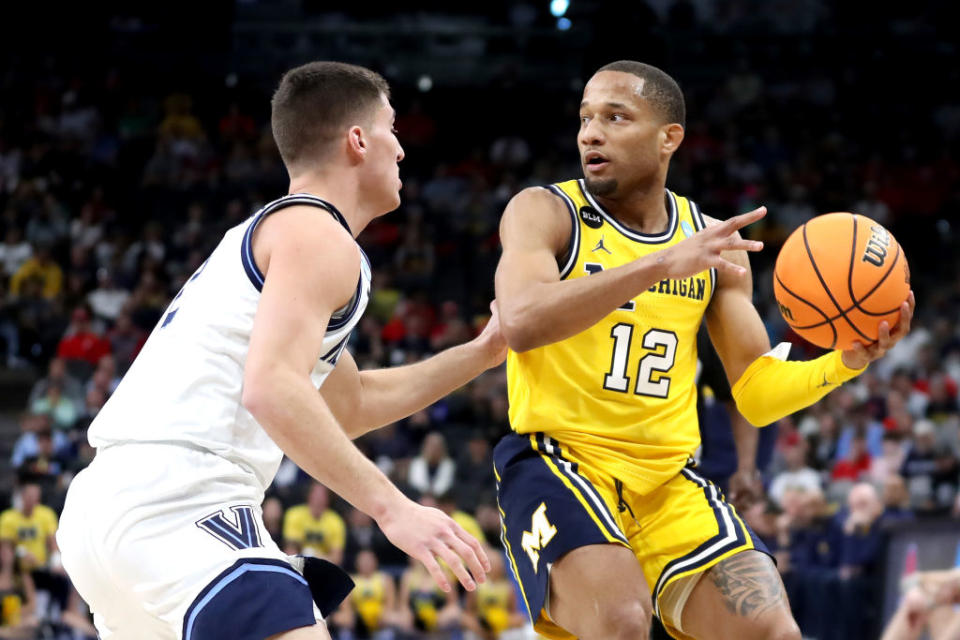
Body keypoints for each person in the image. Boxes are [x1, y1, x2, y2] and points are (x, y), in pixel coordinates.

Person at [57, 61, 505, 640]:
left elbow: (351, 404)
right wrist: (395, 509)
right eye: (391, 129)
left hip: (110, 507)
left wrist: (482, 353)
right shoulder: (318, 235)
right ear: (358, 140)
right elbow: (272, 389)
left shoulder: (279, 236)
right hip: (182, 494)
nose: (401, 150)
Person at [493, 59, 915, 640]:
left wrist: (846, 362)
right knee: (621, 620)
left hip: (667, 482)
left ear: (670, 138)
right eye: (586, 117)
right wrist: (661, 264)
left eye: (615, 117)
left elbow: (757, 396)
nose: (591, 132)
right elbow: (520, 321)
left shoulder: (715, 245)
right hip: (557, 464)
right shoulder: (545, 212)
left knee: (775, 632)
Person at [283, 483, 347, 565]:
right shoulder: (294, 515)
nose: (318, 499)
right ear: (309, 496)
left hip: (324, 567)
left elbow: (337, 558)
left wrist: (315, 556)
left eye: (322, 496)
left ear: (328, 499)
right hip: (299, 564)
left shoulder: (336, 521)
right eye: (316, 495)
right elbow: (290, 551)